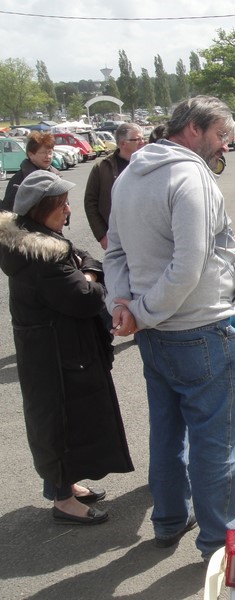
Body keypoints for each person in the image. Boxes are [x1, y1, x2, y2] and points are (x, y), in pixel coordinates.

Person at [103, 96, 235, 559]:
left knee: (167, 431)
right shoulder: (188, 176)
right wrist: (137, 311)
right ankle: (218, 546)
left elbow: (115, 252)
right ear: (193, 129)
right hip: (202, 329)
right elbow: (189, 266)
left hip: (157, 333)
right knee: (217, 443)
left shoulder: (129, 175)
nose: (224, 146)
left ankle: (169, 518)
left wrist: (125, 305)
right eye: (220, 135)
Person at [0, 171, 133, 526]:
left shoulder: (33, 241)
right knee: (59, 423)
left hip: (51, 350)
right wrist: (89, 276)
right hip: (57, 354)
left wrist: (85, 269)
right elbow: (86, 297)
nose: (67, 210)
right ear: (41, 209)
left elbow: (83, 257)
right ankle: (62, 499)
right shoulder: (42, 255)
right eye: (60, 205)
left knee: (60, 421)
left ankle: (64, 486)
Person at [83, 123, 145, 250]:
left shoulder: (149, 165)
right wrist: (101, 235)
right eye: (137, 139)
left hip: (145, 237)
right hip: (116, 240)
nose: (142, 142)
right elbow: (90, 203)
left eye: (143, 139)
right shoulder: (101, 168)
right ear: (123, 143)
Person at [1, 131, 60, 212]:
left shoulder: (55, 176)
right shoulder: (19, 180)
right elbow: (9, 211)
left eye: (50, 152)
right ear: (30, 154)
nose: (48, 156)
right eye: (43, 152)